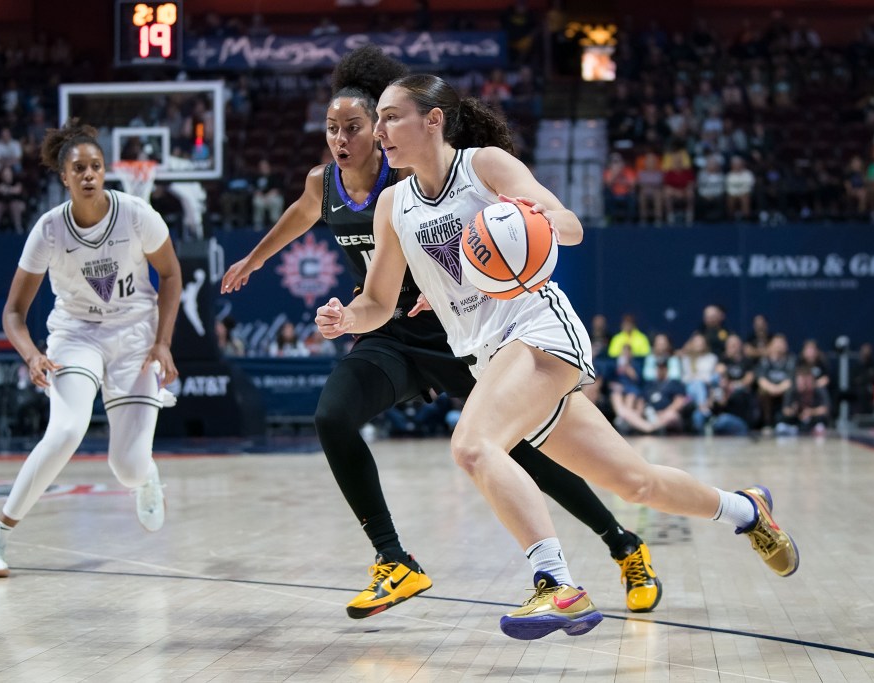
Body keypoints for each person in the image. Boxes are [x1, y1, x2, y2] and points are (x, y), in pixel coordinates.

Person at [315, 72, 799, 640]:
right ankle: (745, 509)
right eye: (378, 121)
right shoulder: (393, 204)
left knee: (473, 446)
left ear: (433, 120)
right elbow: (376, 302)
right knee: (634, 484)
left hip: (539, 328)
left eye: (391, 117)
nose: (379, 131)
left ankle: (557, 585)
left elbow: (567, 227)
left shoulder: (485, 167)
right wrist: (347, 319)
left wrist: (528, 221)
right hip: (488, 354)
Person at [221, 46, 664, 620]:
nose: (348, 138)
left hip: (460, 328)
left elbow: (492, 216)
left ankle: (622, 543)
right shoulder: (324, 183)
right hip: (388, 330)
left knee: (519, 449)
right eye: (335, 128)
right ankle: (393, 559)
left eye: (358, 125)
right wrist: (256, 259)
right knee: (332, 416)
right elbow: (301, 216)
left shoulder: (404, 167)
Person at [0, 120, 182, 578]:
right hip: (76, 335)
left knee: (125, 468)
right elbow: (13, 313)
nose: (88, 174)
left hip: (134, 337)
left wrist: (163, 342)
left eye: (96, 166)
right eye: (78, 168)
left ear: (105, 171)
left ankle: (145, 475)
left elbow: (170, 275)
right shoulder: (48, 230)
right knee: (66, 430)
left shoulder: (137, 214)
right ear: (64, 177)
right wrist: (31, 354)